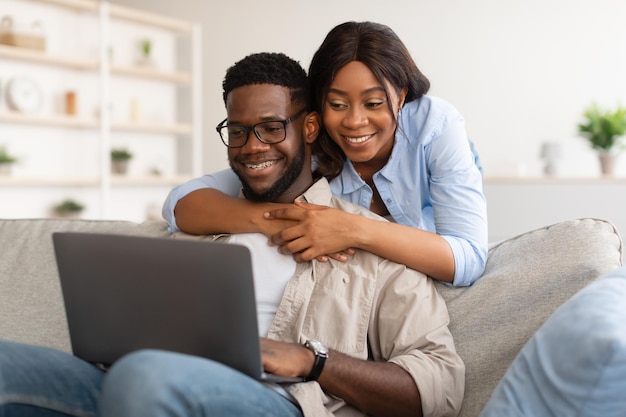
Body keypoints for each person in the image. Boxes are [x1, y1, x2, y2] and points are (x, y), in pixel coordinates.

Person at [0, 52, 464, 417]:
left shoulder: (369, 242)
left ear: (308, 126)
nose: (252, 147)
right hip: (138, 380)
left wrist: (313, 361)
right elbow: (179, 203)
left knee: (146, 376)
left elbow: (439, 386)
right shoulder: (206, 225)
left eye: (270, 128)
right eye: (238, 131)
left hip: (278, 401)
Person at [162, 21, 488, 287]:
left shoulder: (435, 126)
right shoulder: (312, 146)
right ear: (319, 108)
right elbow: (180, 202)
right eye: (337, 104)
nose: (355, 122)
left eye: (374, 103)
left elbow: (469, 257)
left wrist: (352, 228)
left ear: (401, 96)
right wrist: (271, 222)